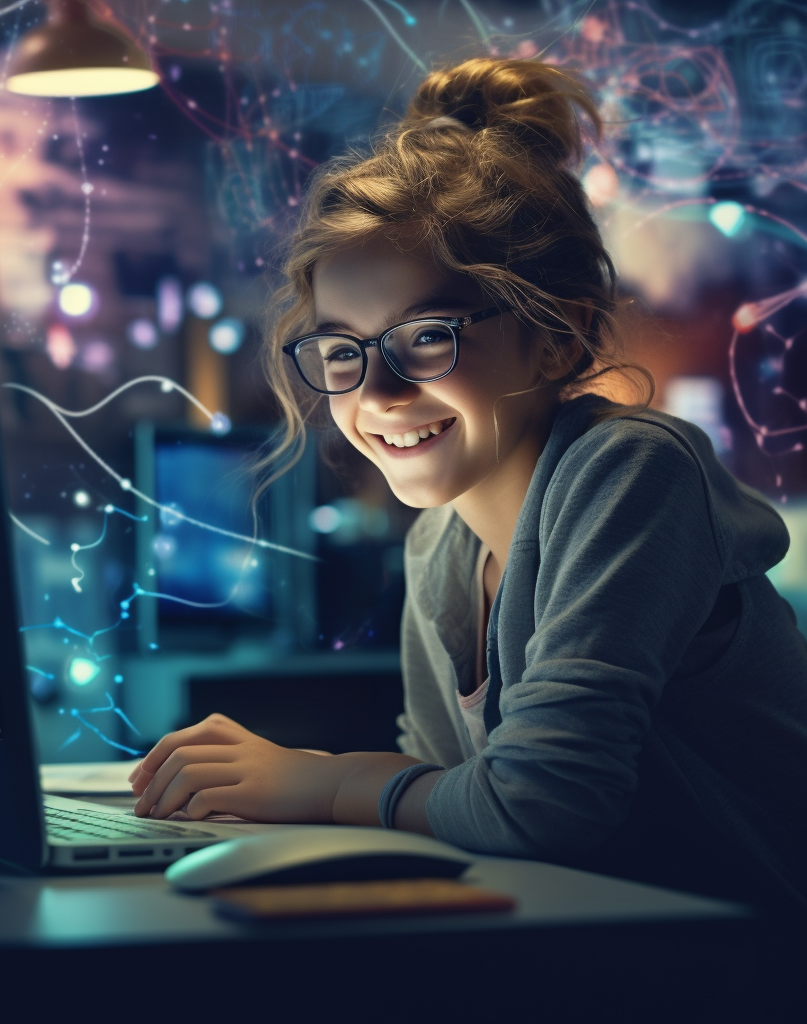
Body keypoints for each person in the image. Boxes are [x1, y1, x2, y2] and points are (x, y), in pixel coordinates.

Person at [131, 57, 807, 911]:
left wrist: (325, 782)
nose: (376, 392)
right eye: (343, 350)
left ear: (561, 337)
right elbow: (448, 803)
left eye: (425, 337)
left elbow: (538, 807)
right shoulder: (441, 541)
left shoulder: (632, 470)